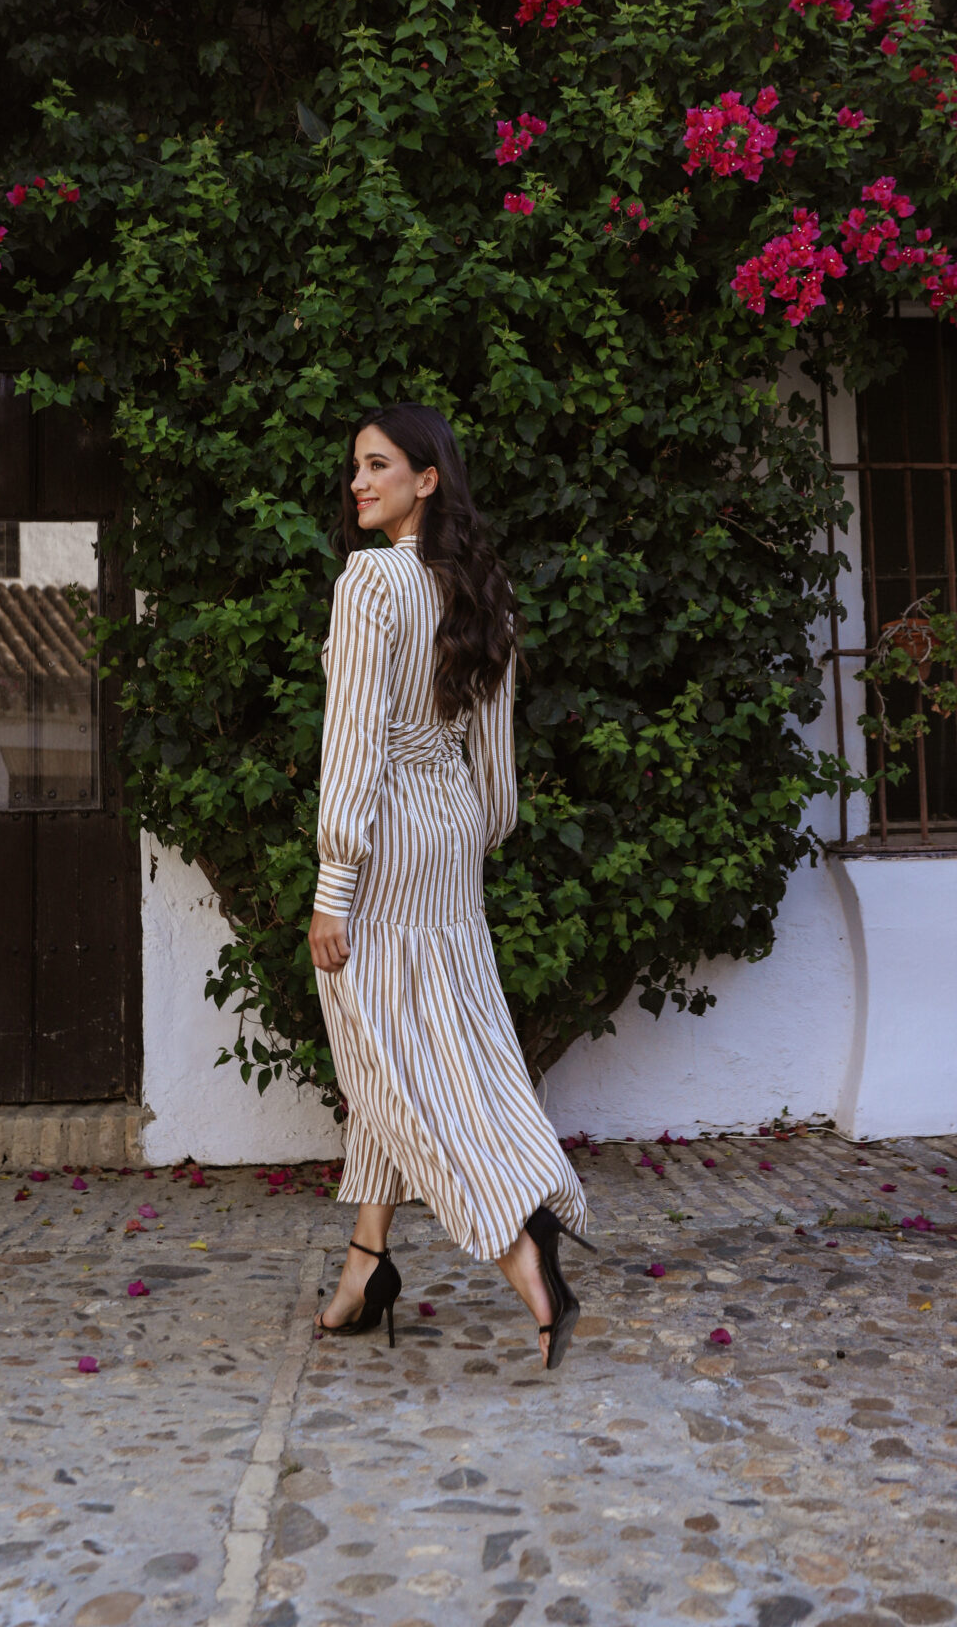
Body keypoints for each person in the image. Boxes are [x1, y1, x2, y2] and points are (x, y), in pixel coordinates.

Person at [306, 401, 594, 1371]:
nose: (358, 483)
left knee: (389, 1058)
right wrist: (474, 828)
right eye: (355, 467)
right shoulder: (481, 591)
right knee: (427, 1038)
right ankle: (365, 1266)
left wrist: (334, 881)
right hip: (452, 828)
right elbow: (495, 763)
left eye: (377, 465)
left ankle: (523, 1249)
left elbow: (352, 744)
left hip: (387, 830)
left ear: (426, 479)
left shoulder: (371, 580)